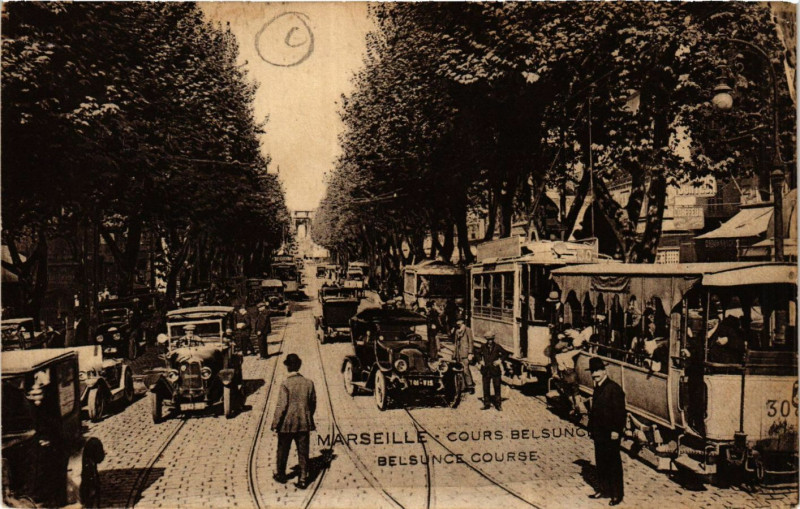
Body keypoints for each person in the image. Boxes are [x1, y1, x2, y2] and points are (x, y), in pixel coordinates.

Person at [271, 354, 316, 489]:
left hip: (287, 424)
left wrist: (275, 424)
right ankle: (303, 478)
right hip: (304, 423)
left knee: (283, 450)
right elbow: (313, 403)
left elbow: (282, 406)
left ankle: (281, 474)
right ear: (299, 366)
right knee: (303, 451)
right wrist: (306, 416)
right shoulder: (309, 383)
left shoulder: (285, 384)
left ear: (288, 367)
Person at [587, 357, 626, 506]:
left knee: (613, 463)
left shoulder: (613, 389)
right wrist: (591, 428)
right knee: (601, 461)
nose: (594, 374)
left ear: (604, 371)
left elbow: (619, 412)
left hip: (610, 433)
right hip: (599, 432)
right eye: (592, 371)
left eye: (597, 371)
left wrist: (616, 430)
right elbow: (595, 410)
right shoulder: (598, 387)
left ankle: (617, 494)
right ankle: (603, 490)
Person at [476, 333, 505, 410]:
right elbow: (477, 354)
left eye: (491, 339)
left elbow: (505, 354)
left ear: (493, 339)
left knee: (497, 387)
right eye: (488, 340)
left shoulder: (497, 346)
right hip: (486, 370)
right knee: (486, 387)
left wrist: (500, 360)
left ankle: (498, 404)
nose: (490, 341)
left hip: (495, 370)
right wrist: (480, 361)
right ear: (486, 340)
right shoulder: (483, 346)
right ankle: (486, 404)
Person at [453, 318, 475, 392]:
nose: (457, 323)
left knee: (466, 369)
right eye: (457, 321)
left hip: (465, 353)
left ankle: (470, 385)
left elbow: (471, 342)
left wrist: (470, 353)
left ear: (462, 322)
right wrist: (454, 354)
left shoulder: (467, 330)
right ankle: (462, 386)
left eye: (459, 321)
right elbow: (456, 343)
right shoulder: (457, 331)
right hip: (458, 353)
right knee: (459, 369)